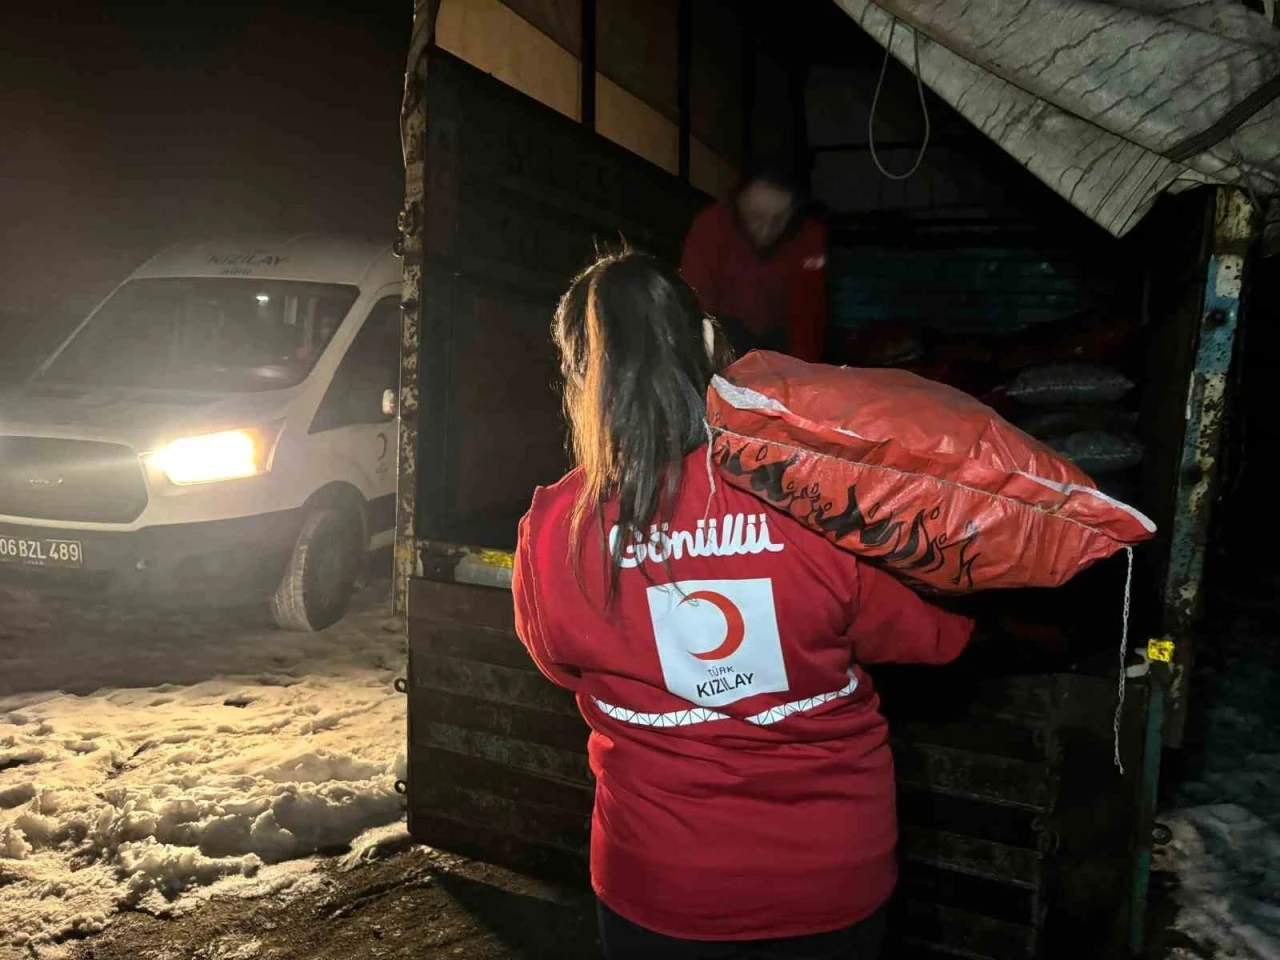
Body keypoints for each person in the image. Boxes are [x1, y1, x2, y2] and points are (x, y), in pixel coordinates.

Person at [512, 249, 974, 959]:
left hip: (657, 884)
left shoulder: (554, 527)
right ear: (704, 343)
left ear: (579, 372)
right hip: (830, 882)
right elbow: (935, 638)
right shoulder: (813, 498)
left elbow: (560, 664)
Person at [680, 166, 829, 363]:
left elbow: (807, 321)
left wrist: (802, 377)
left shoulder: (810, 236)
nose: (765, 231)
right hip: (724, 340)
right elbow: (693, 305)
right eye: (757, 216)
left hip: (780, 347)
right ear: (740, 202)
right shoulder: (711, 225)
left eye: (778, 220)